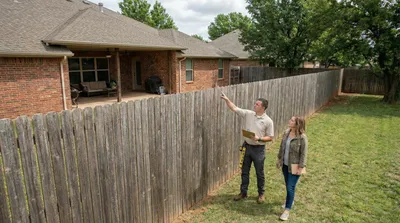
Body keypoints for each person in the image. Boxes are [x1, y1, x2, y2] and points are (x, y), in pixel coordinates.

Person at [221, 93, 274, 204]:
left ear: (263, 107)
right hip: (246, 147)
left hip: (259, 150)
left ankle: (261, 194)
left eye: (257, 104)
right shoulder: (249, 114)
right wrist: (227, 99)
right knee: (244, 171)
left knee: (259, 172)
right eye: (255, 103)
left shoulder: (268, 121)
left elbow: (270, 137)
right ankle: (243, 193)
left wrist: (258, 139)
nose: (254, 105)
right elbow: (234, 108)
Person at [276, 116, 308, 221]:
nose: (290, 121)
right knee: (288, 184)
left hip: (295, 166)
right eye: (290, 119)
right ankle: (291, 200)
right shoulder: (286, 133)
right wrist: (279, 159)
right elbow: (282, 147)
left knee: (290, 187)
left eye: (292, 120)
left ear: (297, 124)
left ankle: (287, 210)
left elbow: (304, 154)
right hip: (285, 164)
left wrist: (301, 167)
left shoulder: (302, 137)